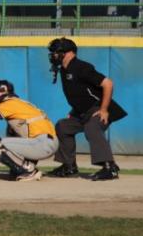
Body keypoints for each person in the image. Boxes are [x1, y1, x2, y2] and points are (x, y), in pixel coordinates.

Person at [47, 37, 127, 181]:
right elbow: (80, 94)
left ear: (70, 53)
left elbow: (108, 84)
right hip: (82, 113)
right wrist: (74, 112)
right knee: (63, 126)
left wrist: (104, 110)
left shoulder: (81, 67)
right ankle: (69, 167)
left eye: (57, 51)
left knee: (92, 127)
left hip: (97, 109)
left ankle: (110, 168)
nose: (53, 55)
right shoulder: (64, 71)